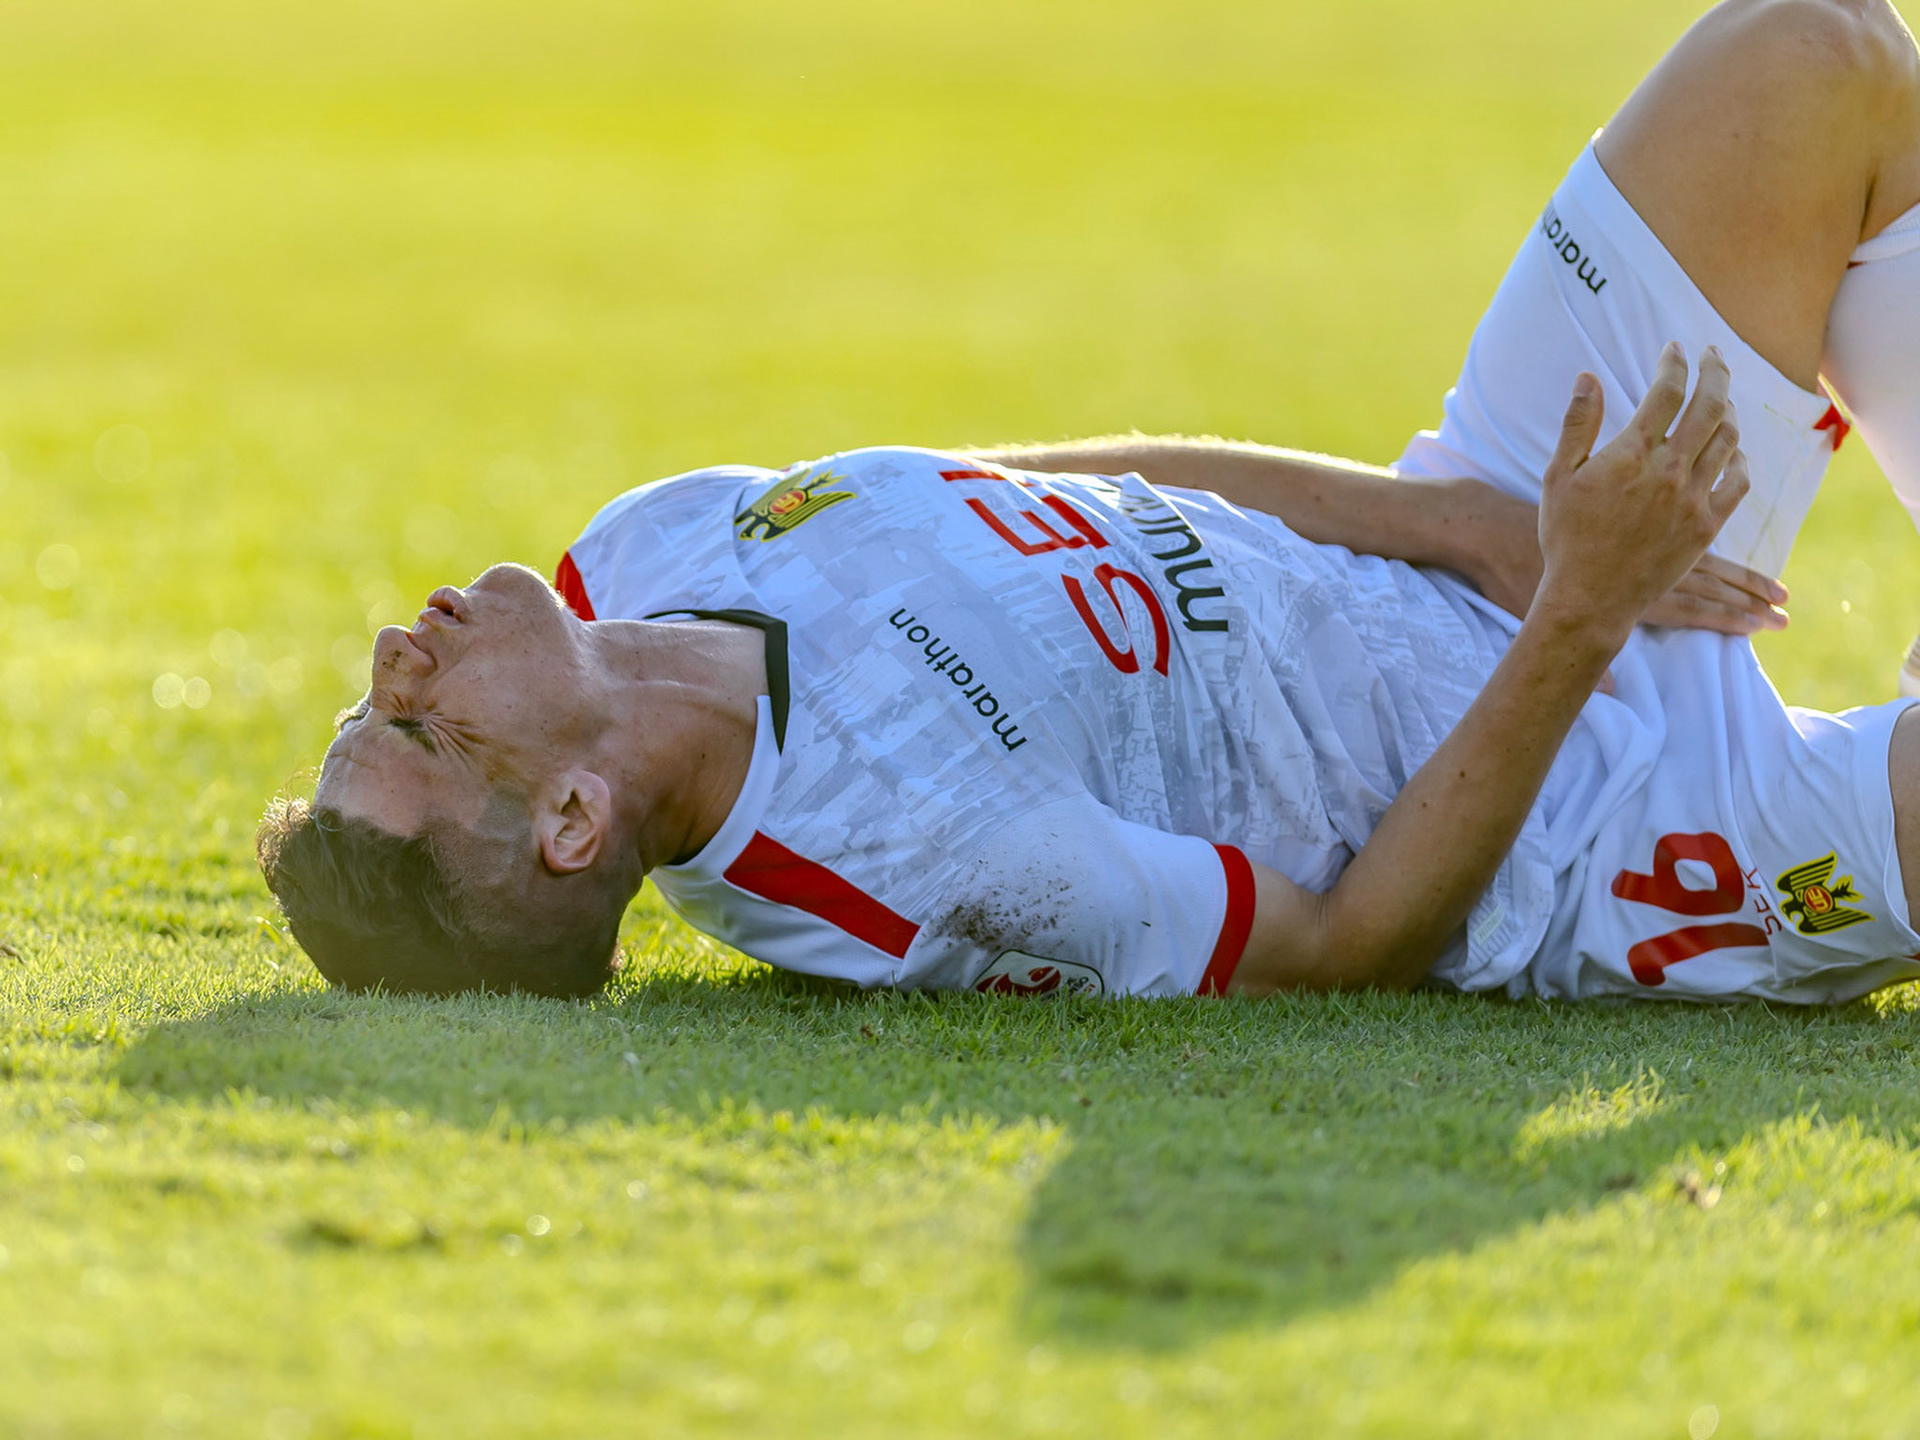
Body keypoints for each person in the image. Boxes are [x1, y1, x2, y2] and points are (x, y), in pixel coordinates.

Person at [258, 0, 1920, 1005]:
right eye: (415, 728)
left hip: (1484, 541)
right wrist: (1576, 613)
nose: (395, 659)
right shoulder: (917, 869)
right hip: (1591, 831)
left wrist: (1475, 533)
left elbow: (1058, 485)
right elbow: (1349, 943)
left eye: (368, 701)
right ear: (571, 822)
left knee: (1813, 54)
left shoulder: (642, 544)